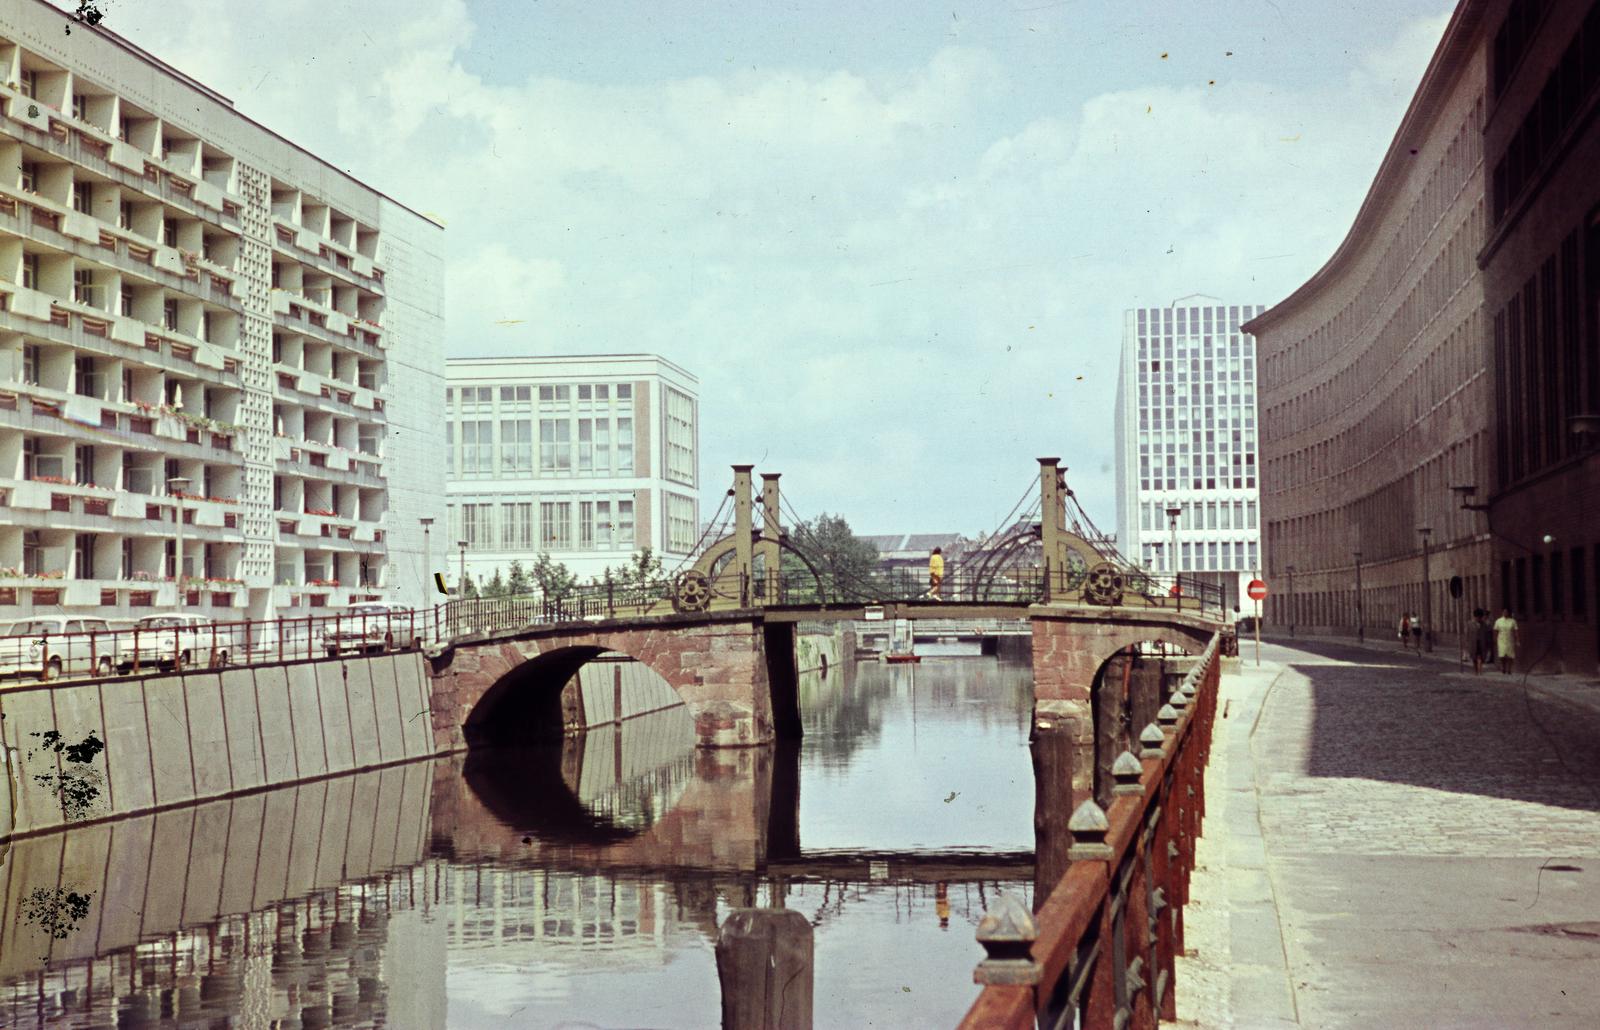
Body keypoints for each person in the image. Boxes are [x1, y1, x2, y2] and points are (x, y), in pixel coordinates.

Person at [1493, 608, 1520, 674]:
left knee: (1510, 655)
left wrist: (1517, 640)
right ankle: (1503, 667)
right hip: (1501, 640)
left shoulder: (1512, 621)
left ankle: (1509, 669)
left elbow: (1516, 631)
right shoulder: (1498, 621)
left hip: (1510, 639)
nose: (1505, 613)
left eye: (1506, 612)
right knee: (1502, 655)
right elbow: (1495, 631)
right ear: (1502, 612)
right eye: (1504, 612)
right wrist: (1495, 640)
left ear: (1508, 613)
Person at [1470, 609, 1494, 675]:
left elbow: (1487, 635)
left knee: (1481, 657)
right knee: (1474, 658)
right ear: (1474, 617)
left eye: (1480, 617)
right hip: (1473, 643)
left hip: (1482, 643)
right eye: (1477, 617)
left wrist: (1488, 643)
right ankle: (1476, 670)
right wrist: (1467, 644)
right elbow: (1468, 635)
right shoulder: (1470, 624)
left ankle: (1480, 670)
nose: (1478, 619)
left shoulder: (1484, 625)